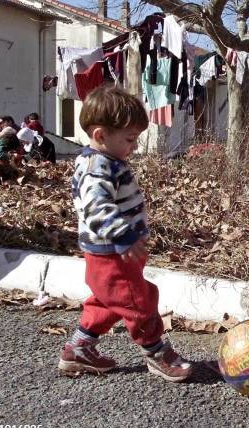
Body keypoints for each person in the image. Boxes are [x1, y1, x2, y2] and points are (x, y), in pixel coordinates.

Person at [57, 85, 192, 382]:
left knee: (107, 302)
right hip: (112, 252)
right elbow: (96, 207)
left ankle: (79, 348)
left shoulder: (108, 162)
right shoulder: (97, 167)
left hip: (114, 252)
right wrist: (124, 236)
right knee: (138, 301)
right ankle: (155, 352)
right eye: (130, 139)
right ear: (101, 135)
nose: (134, 146)